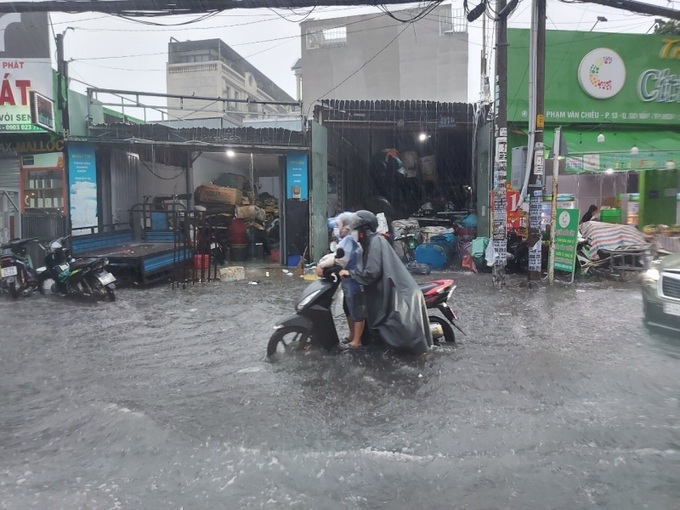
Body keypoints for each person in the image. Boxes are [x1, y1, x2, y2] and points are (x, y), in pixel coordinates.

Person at [339, 210, 432, 355]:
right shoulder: (370, 243)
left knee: (396, 328)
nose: (353, 232)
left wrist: (350, 273)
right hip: (390, 289)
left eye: (356, 229)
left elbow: (371, 272)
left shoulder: (376, 242)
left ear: (364, 229)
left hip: (398, 293)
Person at [315, 212, 366, 349]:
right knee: (347, 308)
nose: (337, 229)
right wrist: (323, 261)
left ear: (347, 227)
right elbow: (336, 253)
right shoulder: (346, 240)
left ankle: (357, 341)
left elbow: (340, 259)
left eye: (339, 225)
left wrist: (322, 265)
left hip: (354, 281)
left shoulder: (349, 240)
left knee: (356, 311)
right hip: (347, 281)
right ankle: (351, 335)